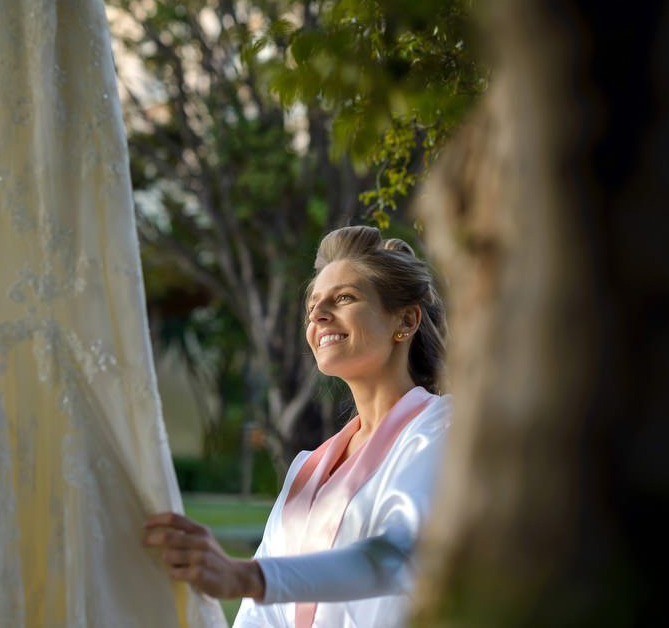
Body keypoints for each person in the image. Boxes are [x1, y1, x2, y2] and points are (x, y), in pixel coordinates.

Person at [144, 225, 452, 627]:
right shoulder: (306, 471)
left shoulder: (441, 429)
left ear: (407, 320)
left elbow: (399, 555)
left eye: (344, 297)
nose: (320, 315)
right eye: (313, 307)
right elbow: (258, 615)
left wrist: (245, 576)